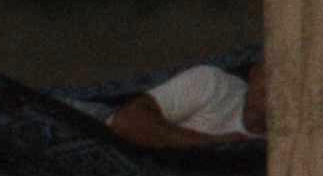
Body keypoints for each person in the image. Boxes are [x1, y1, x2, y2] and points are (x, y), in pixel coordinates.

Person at [108, 55, 269, 150]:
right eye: (272, 73)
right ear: (254, 73)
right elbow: (126, 122)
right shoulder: (213, 84)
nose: (276, 87)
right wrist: (211, 145)